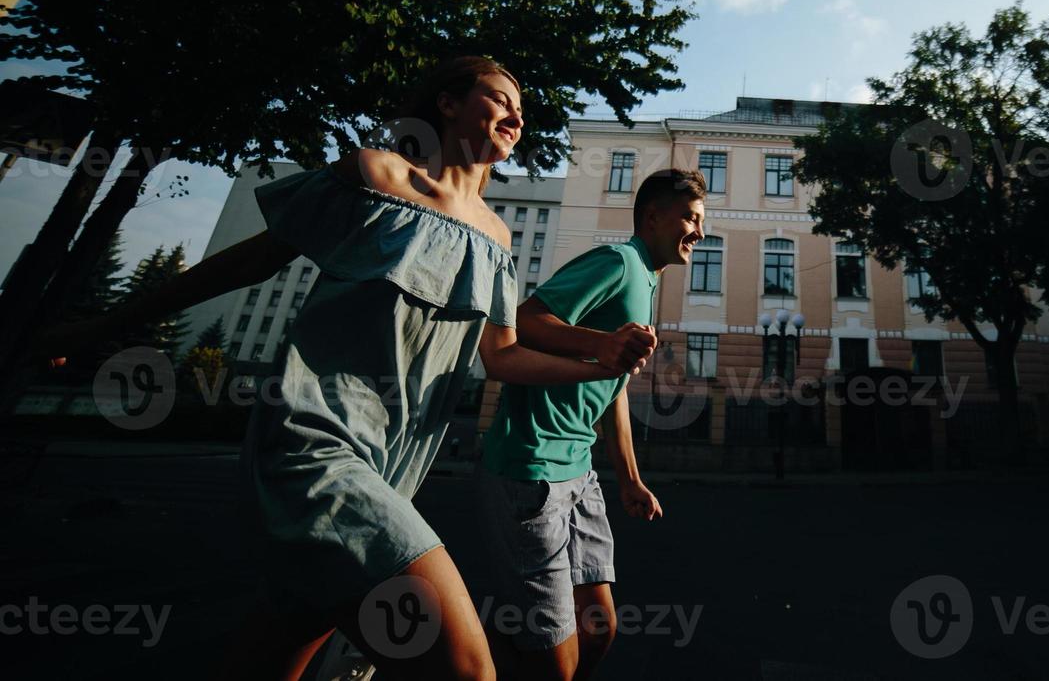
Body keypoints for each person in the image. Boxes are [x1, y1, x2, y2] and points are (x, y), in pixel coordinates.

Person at [36, 56, 658, 681]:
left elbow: (502, 357)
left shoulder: (497, 239)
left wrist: (599, 361)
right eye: (500, 99)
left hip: (394, 465)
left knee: (279, 645)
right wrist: (104, 326)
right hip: (314, 441)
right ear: (447, 104)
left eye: (522, 110)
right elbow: (247, 263)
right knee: (467, 669)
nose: (517, 116)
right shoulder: (378, 176)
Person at [476, 167, 707, 680]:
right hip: (530, 469)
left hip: (580, 475)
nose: (700, 232)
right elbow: (527, 319)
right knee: (554, 660)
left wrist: (630, 478)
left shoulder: (647, 283)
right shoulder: (618, 261)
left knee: (599, 630)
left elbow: (613, 388)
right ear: (652, 217)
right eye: (690, 218)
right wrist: (598, 344)